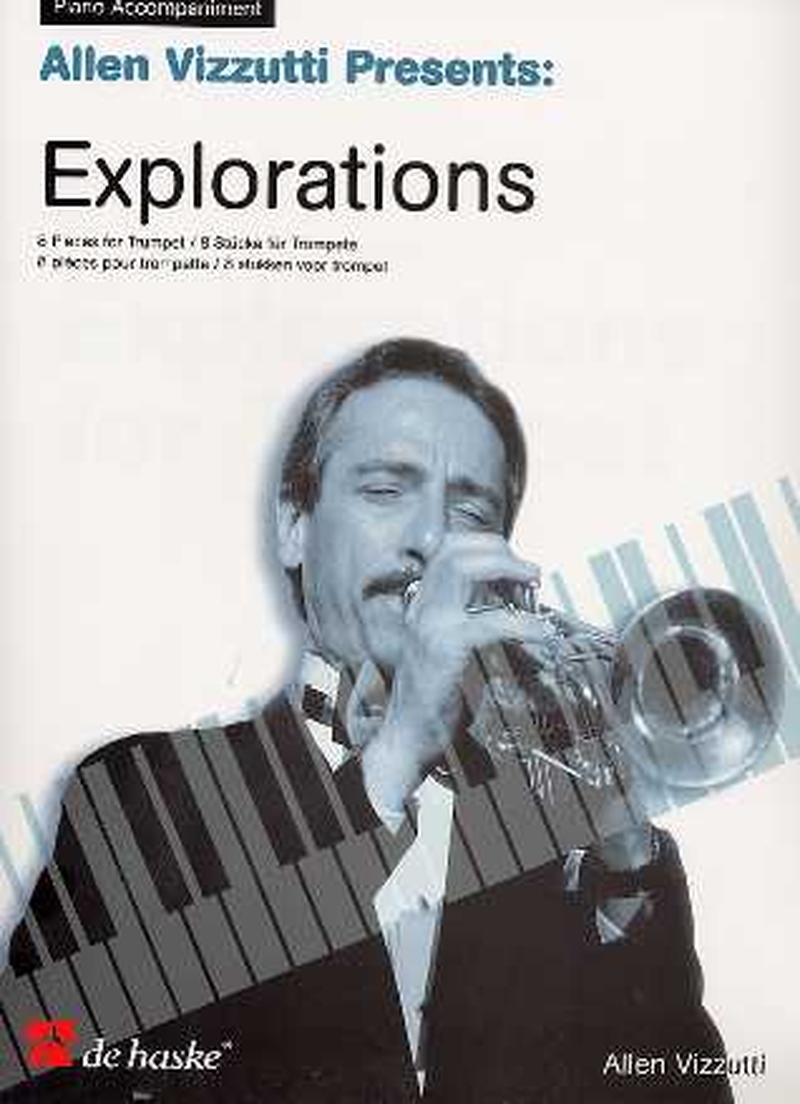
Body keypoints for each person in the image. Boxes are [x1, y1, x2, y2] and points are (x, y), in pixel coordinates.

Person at [0, 338, 732, 1103]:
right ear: (294, 524)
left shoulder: (548, 849)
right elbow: (42, 1075)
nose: (432, 538)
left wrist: (624, 854)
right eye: (385, 490)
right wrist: (392, 759)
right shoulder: (142, 796)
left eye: (471, 510)